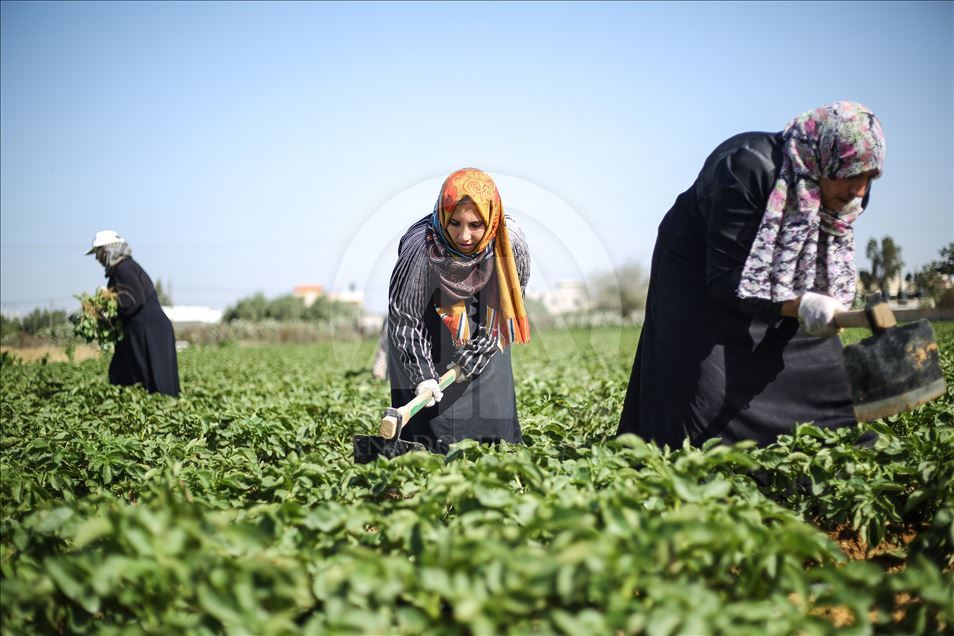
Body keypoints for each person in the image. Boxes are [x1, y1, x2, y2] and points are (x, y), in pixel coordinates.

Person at [618, 101, 886, 448]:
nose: (860, 191)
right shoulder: (746, 165)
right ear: (824, 157)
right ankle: (705, 465)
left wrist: (813, 302)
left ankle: (833, 447)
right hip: (700, 268)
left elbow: (815, 264)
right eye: (852, 176)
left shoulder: (847, 191)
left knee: (817, 360)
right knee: (705, 381)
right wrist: (801, 304)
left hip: (782, 278)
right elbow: (729, 279)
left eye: (869, 177)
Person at [387, 168, 531, 453]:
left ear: (490, 220)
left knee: (491, 426)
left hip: (485, 327)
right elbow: (405, 318)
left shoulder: (508, 242)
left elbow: (505, 311)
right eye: (455, 223)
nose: (464, 235)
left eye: (476, 224)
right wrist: (423, 376)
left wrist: (474, 357)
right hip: (428, 330)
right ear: (443, 216)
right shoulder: (421, 247)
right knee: (432, 433)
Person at [86, 230, 180, 397]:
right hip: (144, 331)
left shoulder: (124, 268)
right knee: (124, 375)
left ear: (108, 250)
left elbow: (133, 301)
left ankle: (158, 414)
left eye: (98, 252)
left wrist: (108, 309)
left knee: (149, 383)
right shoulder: (123, 269)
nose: (97, 258)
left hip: (148, 332)